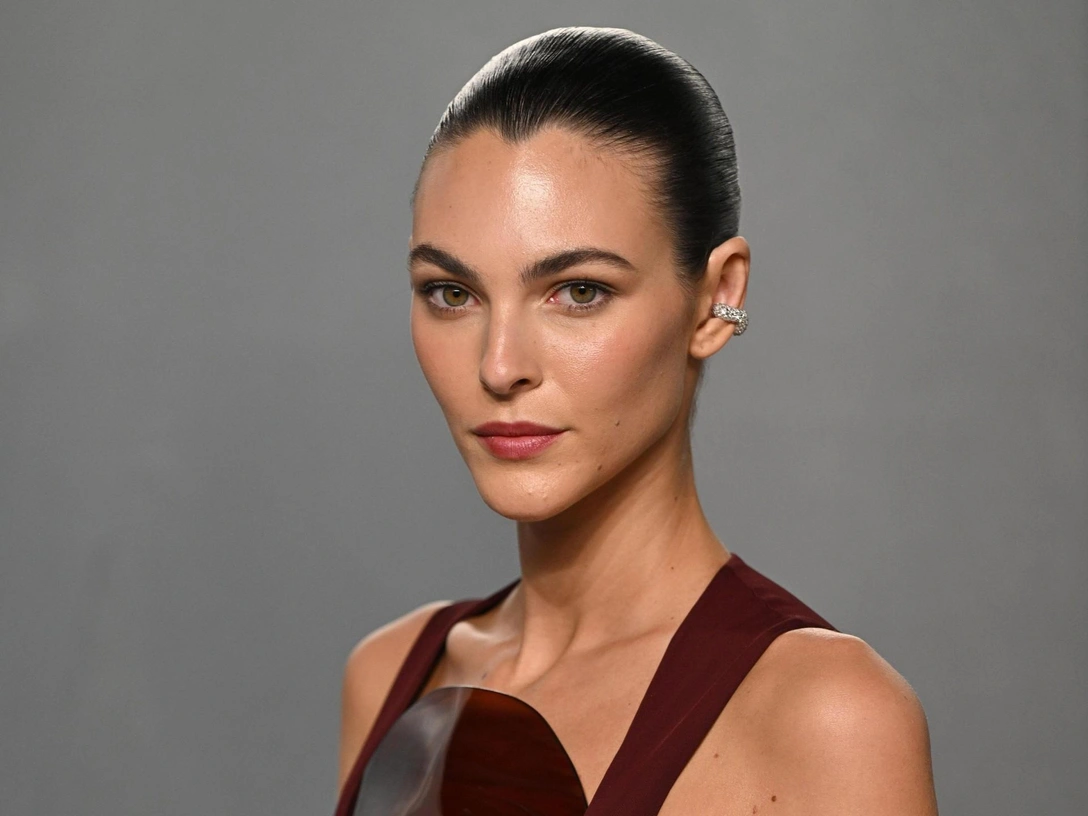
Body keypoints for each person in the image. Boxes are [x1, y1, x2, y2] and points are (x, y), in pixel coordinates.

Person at [335, 26, 938, 815]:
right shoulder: (389, 675)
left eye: (579, 291)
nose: (499, 366)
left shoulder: (828, 718)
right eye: (453, 293)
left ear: (716, 299)